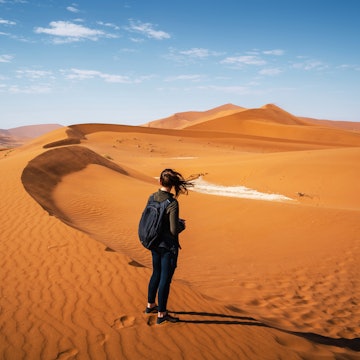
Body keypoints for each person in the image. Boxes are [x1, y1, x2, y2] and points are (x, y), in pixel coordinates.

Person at [144, 168, 193, 324]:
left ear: (160, 182)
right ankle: (162, 314)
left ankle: (150, 305)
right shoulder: (172, 203)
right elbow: (173, 230)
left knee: (156, 273)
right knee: (165, 278)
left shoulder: (151, 197)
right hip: (167, 246)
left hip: (153, 242)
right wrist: (182, 226)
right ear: (172, 185)